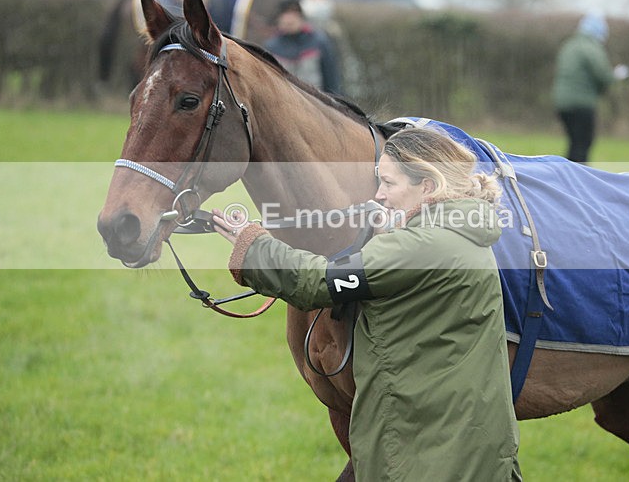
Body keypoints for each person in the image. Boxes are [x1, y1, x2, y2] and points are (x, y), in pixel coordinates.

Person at [212, 127, 522, 481]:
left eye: (389, 183)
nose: (379, 194)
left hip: (431, 454)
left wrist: (253, 245)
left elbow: (320, 282)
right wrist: (391, 235)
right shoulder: (458, 231)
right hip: (467, 443)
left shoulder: (418, 246)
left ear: (428, 187)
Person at [551, 12, 629, 163]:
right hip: (581, 103)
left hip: (562, 102)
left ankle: (567, 174)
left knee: (574, 143)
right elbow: (603, 75)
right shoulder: (591, 48)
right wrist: (617, 75)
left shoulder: (569, 44)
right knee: (582, 145)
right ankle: (578, 176)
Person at [264, 0, 342, 95]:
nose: (289, 20)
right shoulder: (271, 47)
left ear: (301, 17)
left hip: (316, 100)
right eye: (285, 15)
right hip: (285, 101)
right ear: (278, 19)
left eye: (294, 14)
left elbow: (332, 80)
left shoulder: (319, 41)